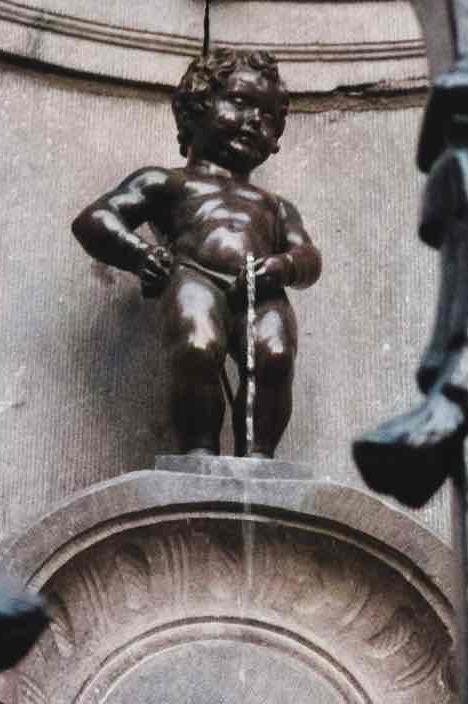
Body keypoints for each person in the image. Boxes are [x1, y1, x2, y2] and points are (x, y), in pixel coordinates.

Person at [72, 48, 321, 457]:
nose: (253, 121)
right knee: (196, 347)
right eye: (239, 102)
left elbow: (309, 256)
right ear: (195, 108)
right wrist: (140, 255)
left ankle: (259, 458)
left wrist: (284, 265)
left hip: (262, 286)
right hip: (192, 274)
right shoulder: (169, 182)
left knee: (274, 356)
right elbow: (95, 219)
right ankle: (199, 453)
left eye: (268, 116)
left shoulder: (275, 206)